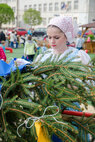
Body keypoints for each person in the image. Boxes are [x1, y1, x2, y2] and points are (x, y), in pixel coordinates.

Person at [34, 16, 91, 142]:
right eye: (49, 37)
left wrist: (64, 85)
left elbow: (85, 84)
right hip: (47, 109)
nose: (52, 41)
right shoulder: (44, 57)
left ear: (67, 36)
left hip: (69, 108)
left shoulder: (77, 56)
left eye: (56, 37)